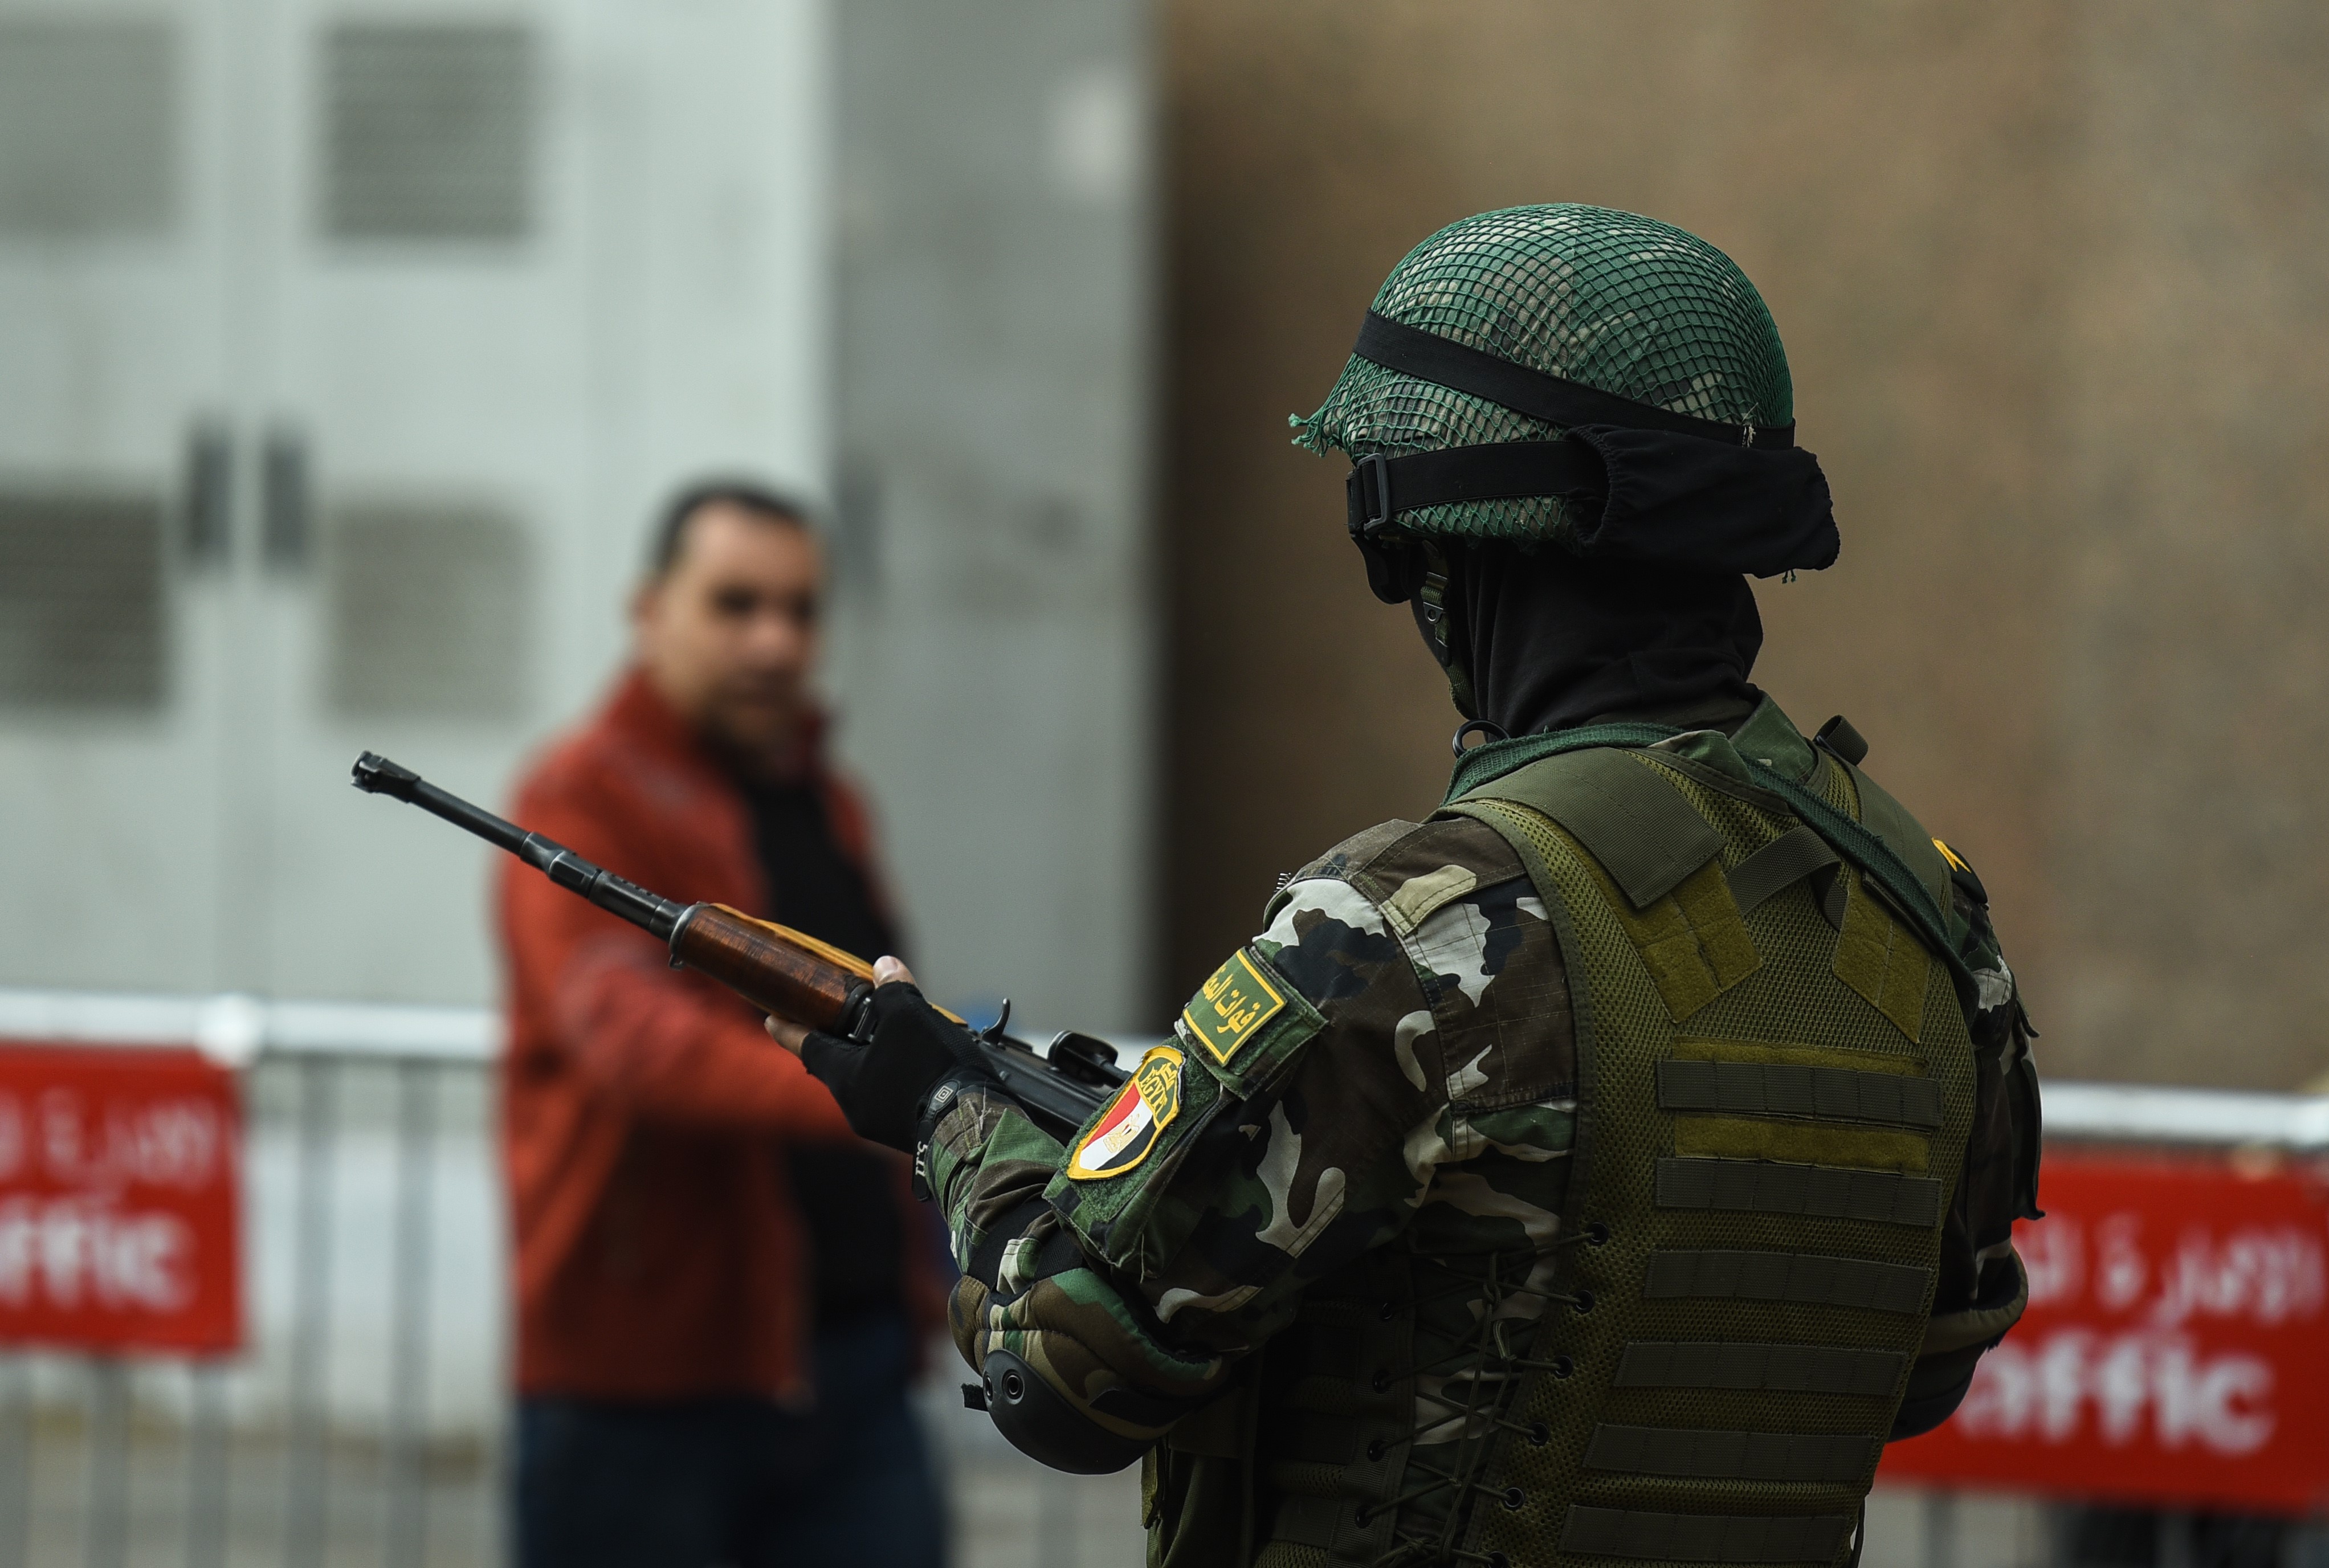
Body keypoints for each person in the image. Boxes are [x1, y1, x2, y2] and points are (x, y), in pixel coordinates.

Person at [774, 206, 2044, 1568]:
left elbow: (1072, 1363)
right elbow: (1924, 1359)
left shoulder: (1419, 918)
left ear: (1442, 550)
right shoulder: (1925, 913)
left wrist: (948, 1114)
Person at [499, 482, 946, 1568]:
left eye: (801, 610)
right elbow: (633, 1038)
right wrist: (879, 1093)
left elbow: (892, 1016)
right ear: (649, 610)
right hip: (643, 1389)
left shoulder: (828, 800)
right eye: (736, 604)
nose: (775, 641)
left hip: (856, 1365)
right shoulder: (580, 799)